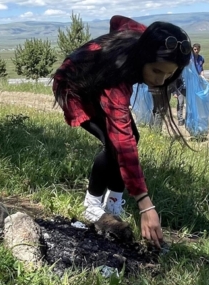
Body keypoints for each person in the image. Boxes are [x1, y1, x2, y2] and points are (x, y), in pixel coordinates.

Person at [52, 15, 192, 248]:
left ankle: (114, 202)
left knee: (131, 138)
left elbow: (118, 20)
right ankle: (92, 204)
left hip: (99, 81)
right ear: (143, 57)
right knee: (114, 143)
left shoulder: (143, 37)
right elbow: (122, 143)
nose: (161, 80)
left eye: (169, 74)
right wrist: (145, 204)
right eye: (157, 71)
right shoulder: (118, 78)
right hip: (75, 85)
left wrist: (115, 38)